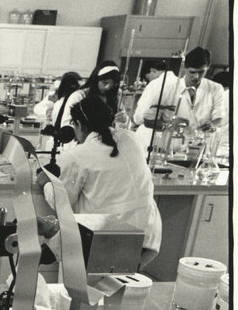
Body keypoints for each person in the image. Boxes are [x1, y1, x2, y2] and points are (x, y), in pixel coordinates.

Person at [53, 96, 162, 268]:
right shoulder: (131, 138)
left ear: (79, 124)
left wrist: (46, 182)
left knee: (90, 291)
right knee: (120, 287)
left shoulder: (79, 155)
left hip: (109, 240)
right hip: (145, 236)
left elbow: (61, 201)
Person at [132, 59, 182, 154]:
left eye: (148, 78)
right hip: (172, 138)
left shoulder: (155, 84)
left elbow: (140, 116)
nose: (148, 81)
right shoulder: (181, 83)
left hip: (150, 137)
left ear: (153, 71)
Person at [176, 47, 226, 133]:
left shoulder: (216, 88)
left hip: (201, 138)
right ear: (184, 67)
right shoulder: (173, 87)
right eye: (192, 72)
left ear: (208, 68)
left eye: (201, 72)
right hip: (176, 138)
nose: (196, 76)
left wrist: (212, 125)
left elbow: (219, 117)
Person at [59, 61, 121, 129]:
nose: (107, 87)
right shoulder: (79, 96)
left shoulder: (114, 99)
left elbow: (118, 126)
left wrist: (121, 121)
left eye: (112, 85)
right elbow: (67, 125)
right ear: (96, 80)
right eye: (104, 83)